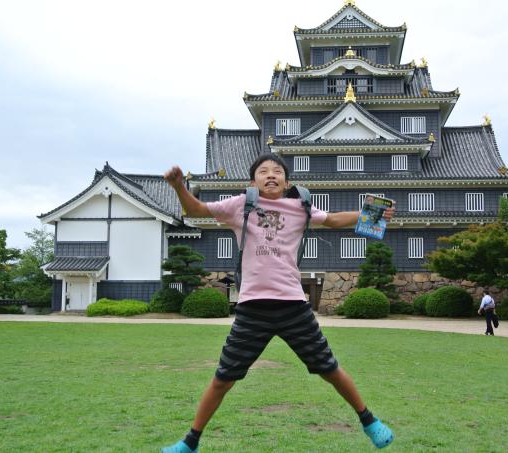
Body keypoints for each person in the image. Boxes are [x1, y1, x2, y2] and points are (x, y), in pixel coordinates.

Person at [161, 154, 396, 453]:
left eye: (277, 171)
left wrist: (371, 214)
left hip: (293, 306)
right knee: (223, 379)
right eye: (263, 171)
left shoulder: (300, 207)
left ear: (287, 182)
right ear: (252, 182)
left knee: (329, 369)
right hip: (252, 309)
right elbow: (197, 210)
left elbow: (334, 220)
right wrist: (179, 187)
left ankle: (369, 421)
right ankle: (190, 442)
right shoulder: (240, 206)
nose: (270, 175)